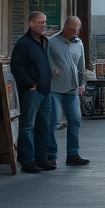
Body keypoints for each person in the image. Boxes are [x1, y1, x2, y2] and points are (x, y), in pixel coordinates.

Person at [9, 11, 54, 173]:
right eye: (40, 23)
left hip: (45, 91)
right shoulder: (23, 43)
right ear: (31, 24)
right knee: (28, 126)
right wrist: (30, 84)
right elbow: (16, 66)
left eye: (44, 22)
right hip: (32, 92)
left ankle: (42, 158)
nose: (43, 25)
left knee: (44, 125)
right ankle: (27, 161)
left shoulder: (43, 41)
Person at [44, 16, 90, 167]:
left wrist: (83, 83)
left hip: (72, 89)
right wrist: (52, 69)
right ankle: (51, 155)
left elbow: (81, 66)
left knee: (75, 119)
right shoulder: (52, 42)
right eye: (72, 30)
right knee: (54, 121)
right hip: (55, 89)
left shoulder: (79, 43)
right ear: (65, 28)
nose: (74, 33)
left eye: (77, 30)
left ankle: (73, 154)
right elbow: (46, 61)